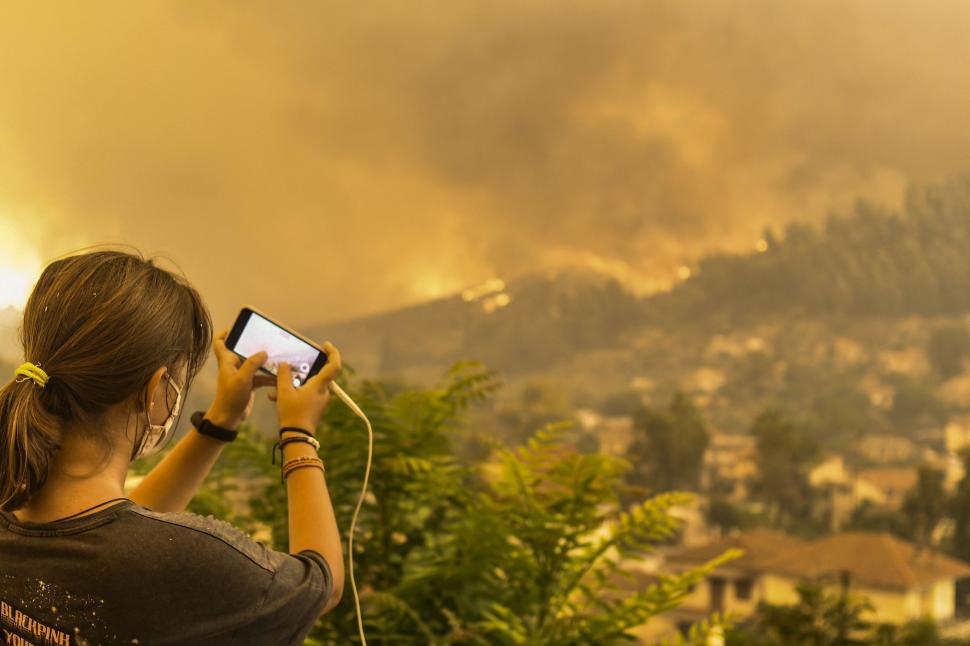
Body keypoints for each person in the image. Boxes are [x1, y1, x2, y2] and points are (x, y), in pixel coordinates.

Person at [0, 248, 344, 645]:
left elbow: (121, 529)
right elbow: (322, 583)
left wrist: (218, 424)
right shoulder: (188, 559)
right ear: (158, 389)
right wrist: (299, 432)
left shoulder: (15, 511)